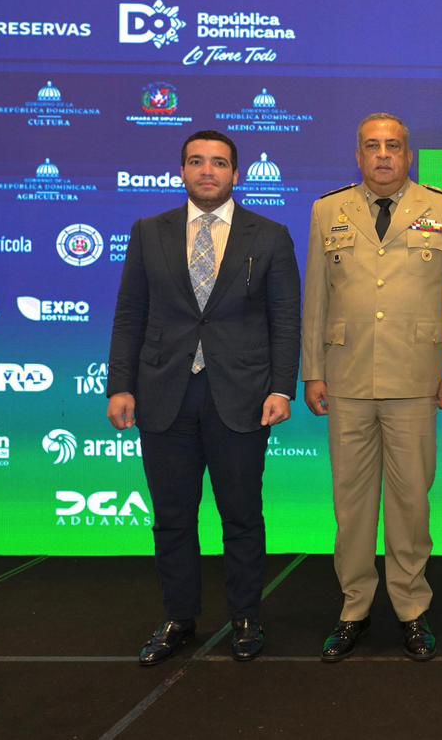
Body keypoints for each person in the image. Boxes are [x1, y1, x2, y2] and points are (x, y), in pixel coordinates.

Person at [107, 130, 301, 666]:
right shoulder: (149, 232)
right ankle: (178, 617)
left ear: (236, 173)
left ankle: (246, 617)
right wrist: (120, 384)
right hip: (163, 394)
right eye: (197, 162)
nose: (207, 171)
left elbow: (285, 320)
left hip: (241, 395)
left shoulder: (271, 236)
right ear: (182, 172)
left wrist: (281, 387)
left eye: (218, 162)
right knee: (172, 517)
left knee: (241, 515)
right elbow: (130, 314)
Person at [301, 112, 442, 662]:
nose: (383, 155)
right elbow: (316, 299)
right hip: (347, 376)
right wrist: (312, 370)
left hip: (415, 379)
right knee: (352, 503)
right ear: (358, 155)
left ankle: (411, 607)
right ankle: (354, 607)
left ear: (409, 155)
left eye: (393, 146)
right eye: (373, 146)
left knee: (410, 501)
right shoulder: (328, 210)